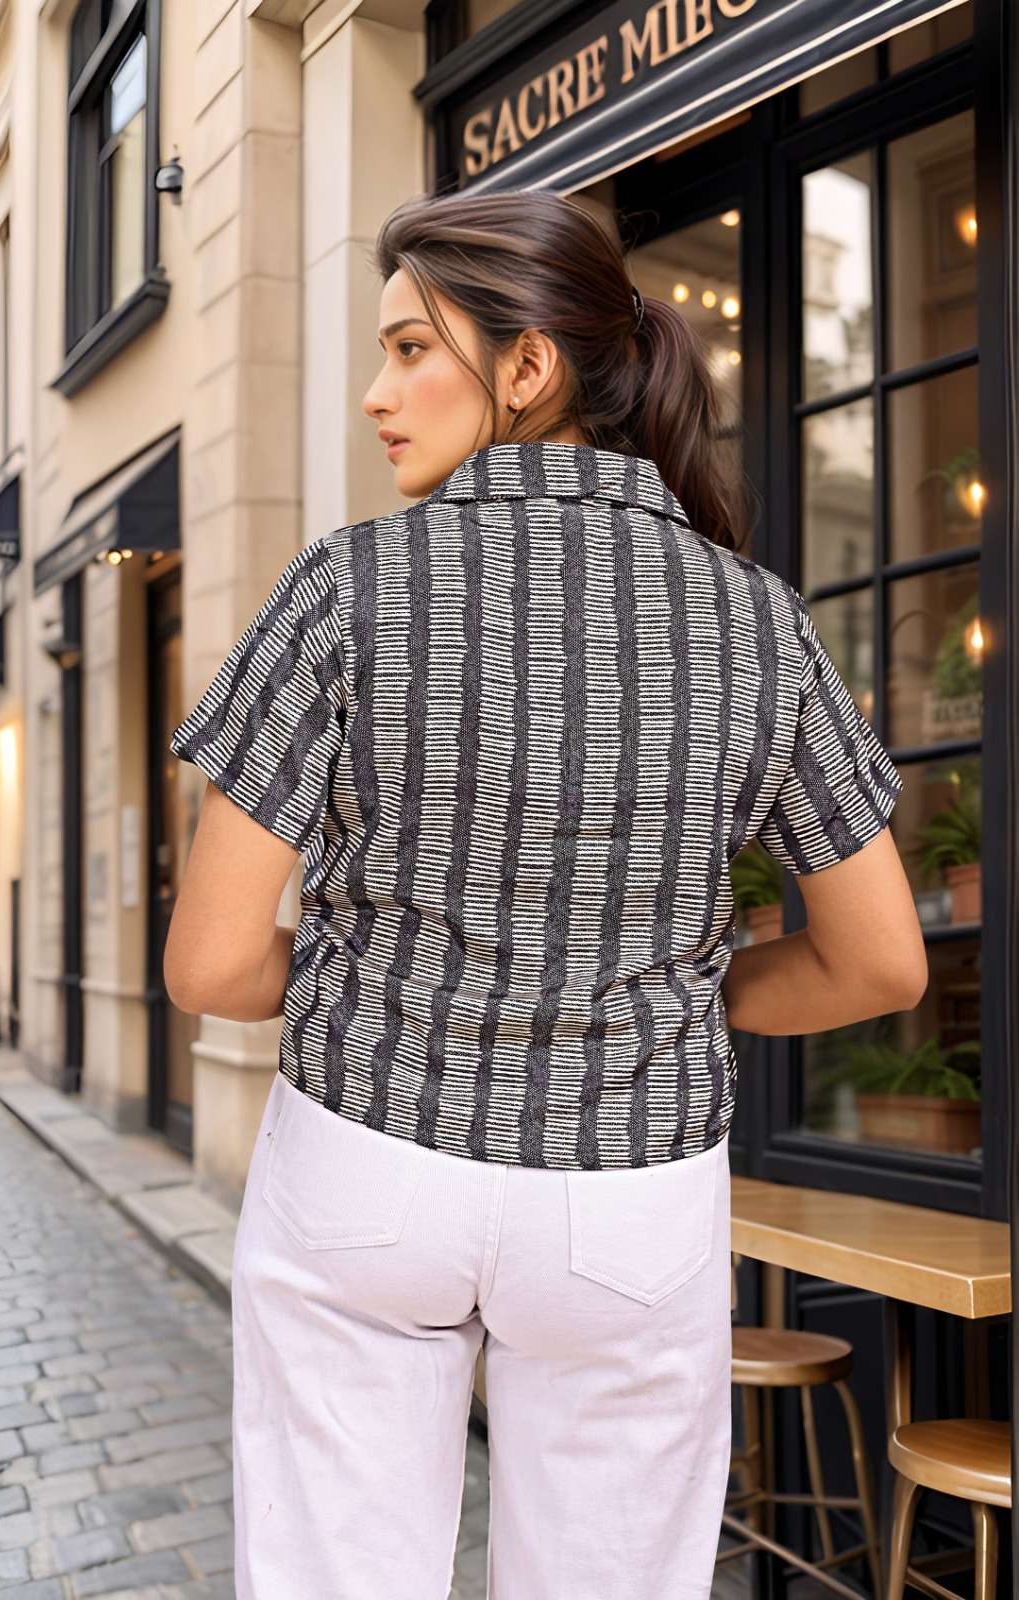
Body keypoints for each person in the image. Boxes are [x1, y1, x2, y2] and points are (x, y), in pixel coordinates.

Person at [164, 188, 927, 1600]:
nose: (378, 395)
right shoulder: (754, 617)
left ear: (528, 368)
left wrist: (372, 981)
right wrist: (672, 990)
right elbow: (880, 965)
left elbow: (209, 967)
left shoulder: (345, 587)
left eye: (410, 349)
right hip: (628, 1199)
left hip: (367, 1167)